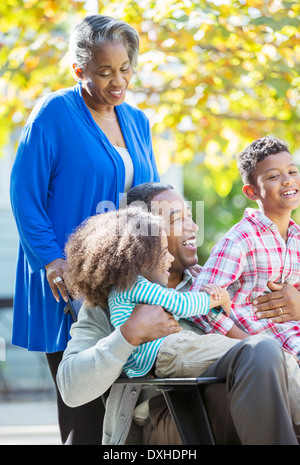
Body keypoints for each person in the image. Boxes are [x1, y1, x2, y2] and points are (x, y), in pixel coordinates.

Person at [9, 15, 159, 445]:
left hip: (127, 283)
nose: (118, 81)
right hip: (71, 282)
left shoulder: (137, 120)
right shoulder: (54, 113)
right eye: (105, 71)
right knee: (86, 414)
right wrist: (53, 261)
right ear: (80, 70)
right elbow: (24, 196)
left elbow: (149, 195)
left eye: (126, 68)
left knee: (132, 413)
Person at [57, 182, 299, 445]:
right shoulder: (110, 302)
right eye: (176, 219)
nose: (193, 227)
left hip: (242, 403)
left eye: (190, 217)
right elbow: (71, 388)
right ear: (144, 236)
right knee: (259, 352)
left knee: (264, 352)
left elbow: (278, 339)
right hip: (172, 421)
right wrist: (128, 335)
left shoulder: (214, 283)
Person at [63, 207, 232, 380]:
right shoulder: (135, 285)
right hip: (169, 350)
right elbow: (182, 305)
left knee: (251, 352)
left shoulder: (127, 289)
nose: (171, 258)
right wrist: (217, 298)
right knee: (250, 352)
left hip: (158, 359)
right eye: (165, 252)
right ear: (142, 257)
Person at [191, 136, 300, 362]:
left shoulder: (297, 238)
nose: (288, 180)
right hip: (270, 354)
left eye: (292, 171)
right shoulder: (240, 240)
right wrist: (249, 345)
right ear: (251, 192)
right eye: (273, 176)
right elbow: (200, 305)